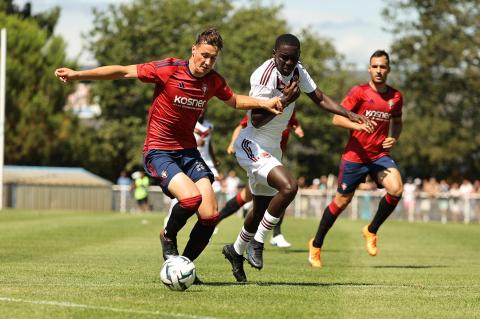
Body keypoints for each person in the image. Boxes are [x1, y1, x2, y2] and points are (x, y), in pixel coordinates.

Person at [55, 28, 286, 284]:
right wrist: (78, 75)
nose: (207, 62)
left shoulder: (213, 81)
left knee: (210, 215)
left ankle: (184, 266)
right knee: (190, 199)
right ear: (194, 49)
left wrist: (265, 103)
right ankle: (167, 236)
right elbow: (122, 71)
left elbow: (234, 101)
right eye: (205, 55)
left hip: (188, 152)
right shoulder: (168, 69)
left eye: (213, 58)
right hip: (159, 150)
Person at [222, 34, 370, 282]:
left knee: (259, 207)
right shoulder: (263, 75)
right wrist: (286, 99)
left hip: (273, 147)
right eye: (284, 58)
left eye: (293, 58)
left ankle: (235, 251)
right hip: (252, 144)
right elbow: (256, 119)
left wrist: (349, 114)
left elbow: (320, 97)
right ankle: (258, 242)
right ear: (274, 54)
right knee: (290, 186)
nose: (288, 63)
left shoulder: (298, 72)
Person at [308, 50, 404, 268]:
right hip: (355, 156)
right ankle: (316, 244)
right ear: (369, 69)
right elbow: (336, 119)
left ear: (388, 69)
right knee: (342, 202)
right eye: (375, 66)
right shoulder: (359, 92)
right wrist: (357, 125)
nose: (379, 70)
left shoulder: (396, 97)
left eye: (383, 67)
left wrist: (393, 137)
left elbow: (397, 121)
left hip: (379, 155)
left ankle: (371, 230)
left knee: (396, 189)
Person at [218, 111, 305, 248]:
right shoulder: (266, 105)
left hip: (274, 161)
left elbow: (293, 120)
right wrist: (232, 144)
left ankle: (268, 237)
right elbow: (241, 126)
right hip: (259, 159)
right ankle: (272, 236)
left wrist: (297, 127)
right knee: (278, 192)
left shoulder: (289, 108)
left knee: (252, 197)